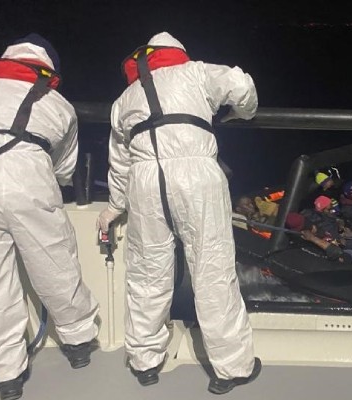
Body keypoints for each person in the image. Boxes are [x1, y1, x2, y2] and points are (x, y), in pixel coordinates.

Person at [95, 32, 260, 394]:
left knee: (147, 273)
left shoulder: (125, 98)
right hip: (196, 175)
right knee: (213, 270)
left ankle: (145, 362)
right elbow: (241, 85)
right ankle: (230, 368)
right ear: (179, 56)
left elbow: (119, 161)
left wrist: (115, 206)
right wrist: (243, 113)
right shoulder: (197, 72)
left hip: (144, 181)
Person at [0, 33, 100, 400]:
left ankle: (7, 374)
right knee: (55, 264)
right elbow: (64, 167)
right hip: (30, 179)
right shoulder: (59, 104)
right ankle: (78, 341)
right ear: (47, 70)